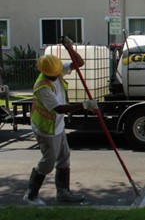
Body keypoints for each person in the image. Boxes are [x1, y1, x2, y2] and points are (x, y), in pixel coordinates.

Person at [23, 52, 98, 206]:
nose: (56, 76)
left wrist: (69, 47)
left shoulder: (56, 70)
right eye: (52, 75)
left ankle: (63, 192)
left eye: (57, 73)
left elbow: (79, 63)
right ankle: (31, 195)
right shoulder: (42, 87)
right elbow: (60, 109)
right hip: (46, 128)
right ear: (44, 72)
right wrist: (84, 105)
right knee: (48, 162)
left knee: (64, 157)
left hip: (57, 125)